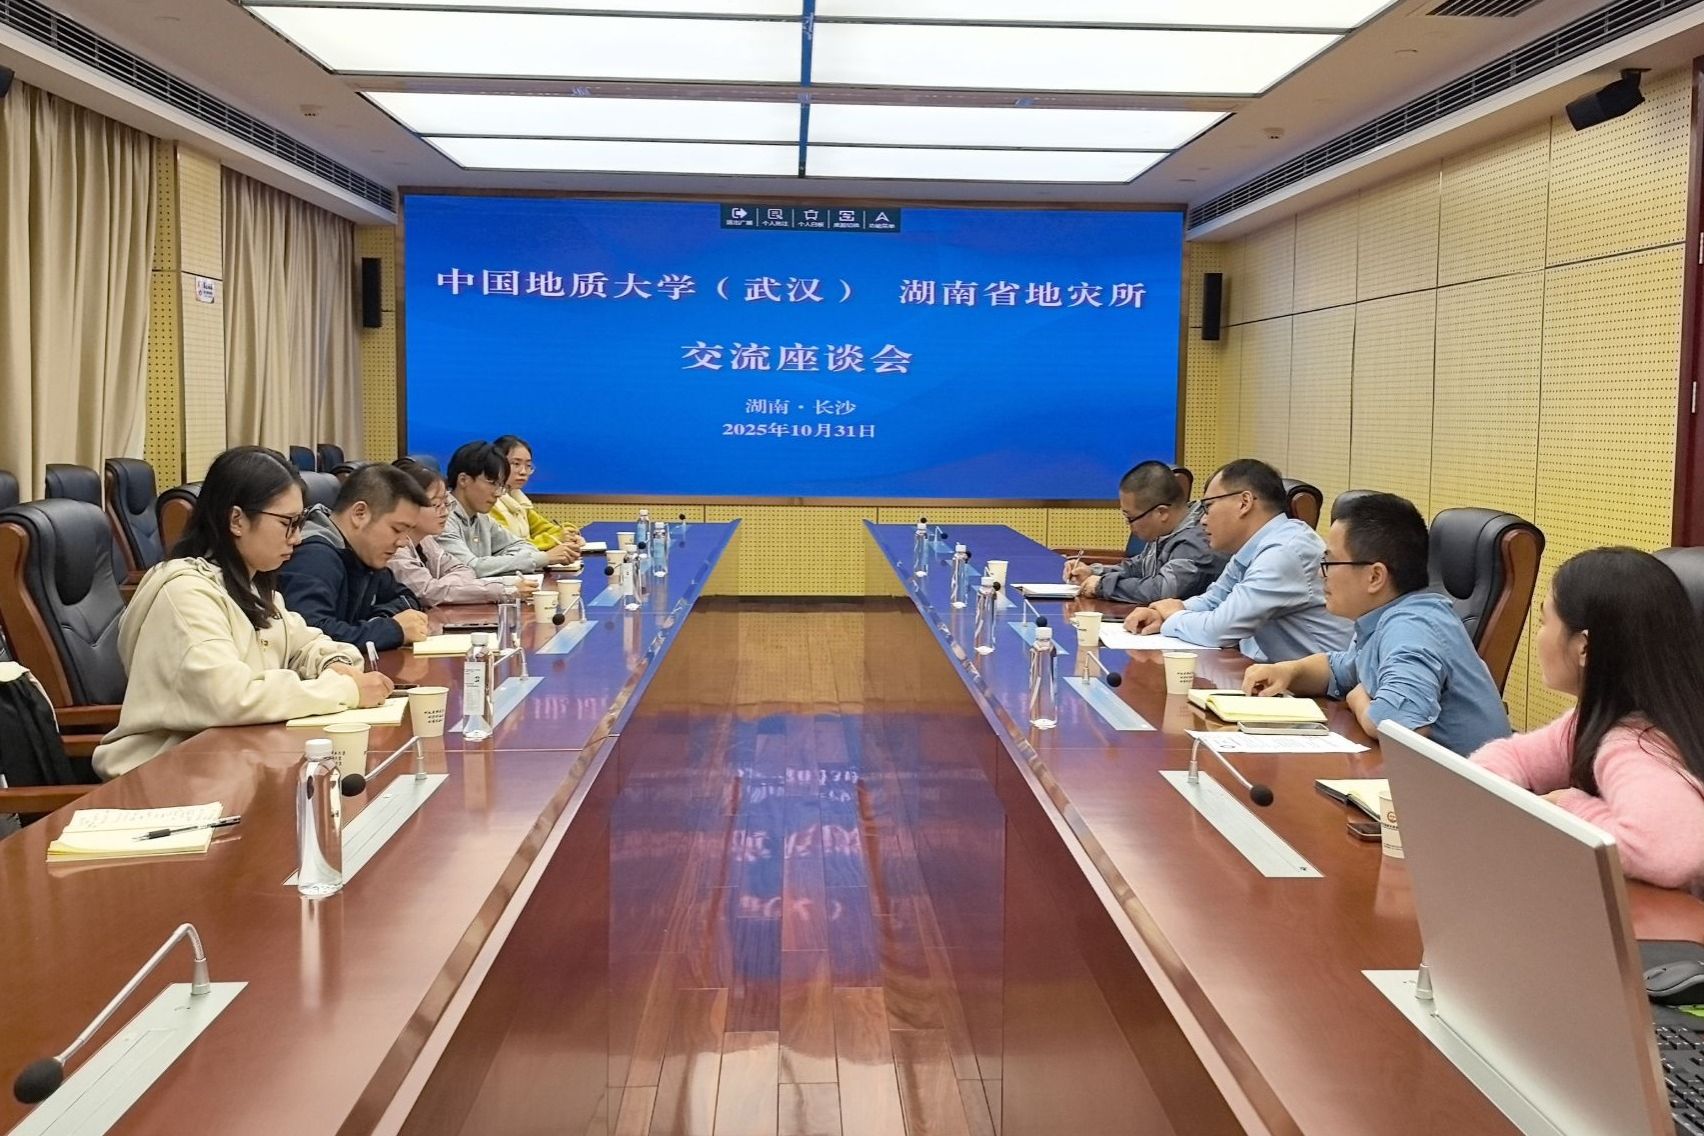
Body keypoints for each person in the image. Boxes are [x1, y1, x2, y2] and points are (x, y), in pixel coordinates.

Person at [92, 447, 393, 779]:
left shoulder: (253, 587)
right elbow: (231, 697)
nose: (297, 538)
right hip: (166, 777)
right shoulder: (185, 592)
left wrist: (332, 665)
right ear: (236, 520)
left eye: (300, 522)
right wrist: (343, 690)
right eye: (287, 524)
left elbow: (309, 643)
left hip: (230, 765)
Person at [1471, 548, 1704, 889]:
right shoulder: (1602, 719)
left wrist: (1567, 806)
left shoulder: (1634, 744)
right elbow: (1511, 757)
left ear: (1584, 648)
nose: (1539, 635)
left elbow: (1669, 852)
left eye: (1544, 622)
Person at [1240, 492, 1510, 753]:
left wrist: (1358, 699)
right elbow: (1341, 669)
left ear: (1375, 577)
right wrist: (1288, 671)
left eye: (1330, 562)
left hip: (1469, 781)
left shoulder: (1410, 627)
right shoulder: (1386, 617)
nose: (1322, 574)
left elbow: (1402, 727)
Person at [1124, 458, 1351, 661]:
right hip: (1272, 676)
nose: (1203, 520)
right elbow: (1215, 599)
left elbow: (1218, 629)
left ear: (1244, 502)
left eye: (1208, 507)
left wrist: (1173, 617)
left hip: (1321, 690)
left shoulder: (1285, 551)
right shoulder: (1253, 547)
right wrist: (1165, 612)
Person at [278, 464, 431, 651]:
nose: (403, 542)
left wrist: (378, 621)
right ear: (360, 514)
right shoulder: (314, 558)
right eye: (397, 529)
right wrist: (392, 630)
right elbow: (311, 638)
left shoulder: (364, 553)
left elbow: (407, 599)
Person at [1064, 460, 1222, 603]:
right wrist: (1094, 572)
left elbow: (1163, 590)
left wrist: (1102, 586)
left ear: (1161, 513)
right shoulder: (1166, 531)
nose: (1129, 525)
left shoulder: (1197, 538)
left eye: (1131, 518)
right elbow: (1138, 567)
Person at [388, 458, 534, 605]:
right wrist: (502, 590)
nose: (445, 512)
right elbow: (428, 592)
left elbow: (463, 569)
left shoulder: (426, 540)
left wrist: (444, 587)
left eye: (446, 503)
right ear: (407, 507)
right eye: (436, 505)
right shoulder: (395, 549)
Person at [438, 440, 576, 577]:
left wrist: (500, 562)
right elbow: (471, 568)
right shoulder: (441, 517)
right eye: (492, 483)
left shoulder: (481, 517)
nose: (498, 493)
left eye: (501, 486)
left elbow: (524, 546)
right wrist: (543, 558)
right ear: (463, 480)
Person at [490, 435, 583, 556]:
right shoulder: (489, 502)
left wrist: (568, 531)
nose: (523, 472)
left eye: (528, 466)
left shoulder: (517, 499)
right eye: (516, 464)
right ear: (497, 464)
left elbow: (543, 527)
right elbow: (510, 546)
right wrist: (554, 539)